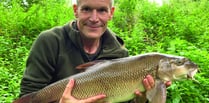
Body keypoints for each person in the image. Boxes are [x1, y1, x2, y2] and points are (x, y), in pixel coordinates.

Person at [19, 0, 169, 102]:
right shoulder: (50, 41)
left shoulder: (120, 54)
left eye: (102, 10)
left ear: (111, 13)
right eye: (87, 9)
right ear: (76, 10)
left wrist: (141, 99)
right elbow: (29, 96)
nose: (94, 18)